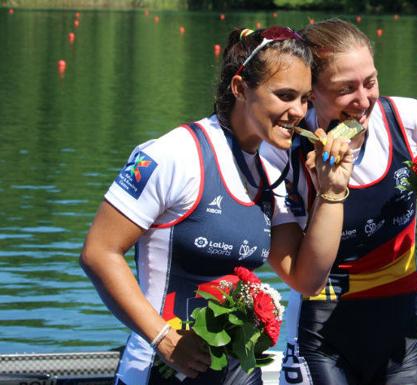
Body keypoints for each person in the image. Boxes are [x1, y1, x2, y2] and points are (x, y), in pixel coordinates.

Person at [80, 26, 353, 385]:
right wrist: (163, 338)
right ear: (240, 88)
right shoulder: (174, 155)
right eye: (284, 95)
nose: (298, 111)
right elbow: (99, 253)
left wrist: (333, 192)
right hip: (160, 371)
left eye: (304, 98)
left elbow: (307, 278)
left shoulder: (272, 171)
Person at [261, 18, 417, 385]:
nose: (364, 100)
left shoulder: (412, 120)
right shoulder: (281, 152)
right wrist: (328, 190)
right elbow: (296, 274)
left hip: (401, 315)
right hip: (321, 328)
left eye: (370, 82)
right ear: (311, 94)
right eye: (345, 89)